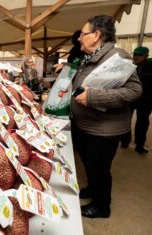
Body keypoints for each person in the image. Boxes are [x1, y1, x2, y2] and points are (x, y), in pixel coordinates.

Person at [71, 15, 142, 218]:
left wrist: (93, 97)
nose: (79, 38)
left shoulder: (117, 56)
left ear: (96, 35)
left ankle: (102, 206)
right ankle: (93, 189)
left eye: (83, 34)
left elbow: (134, 90)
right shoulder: (91, 55)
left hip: (104, 129)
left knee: (99, 168)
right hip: (87, 125)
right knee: (90, 165)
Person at [131, 47, 152, 154]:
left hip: (145, 100)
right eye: (135, 54)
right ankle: (125, 140)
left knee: (142, 123)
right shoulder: (129, 66)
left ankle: (139, 145)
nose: (136, 56)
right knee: (124, 120)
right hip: (130, 98)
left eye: (140, 55)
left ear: (146, 56)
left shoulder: (150, 66)